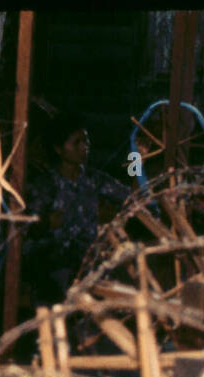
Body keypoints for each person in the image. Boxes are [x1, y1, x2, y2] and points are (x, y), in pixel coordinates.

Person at [24, 113, 131, 304]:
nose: (85, 147)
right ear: (58, 149)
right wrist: (47, 222)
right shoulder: (46, 185)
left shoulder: (94, 180)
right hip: (53, 264)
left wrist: (139, 161)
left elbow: (133, 199)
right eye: (77, 143)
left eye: (86, 141)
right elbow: (27, 227)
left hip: (88, 261)